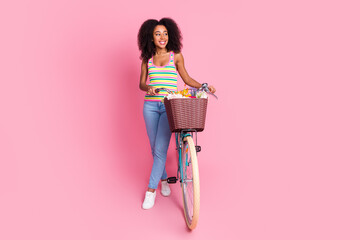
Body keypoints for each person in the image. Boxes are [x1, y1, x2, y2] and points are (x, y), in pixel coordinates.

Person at [138, 18, 216, 209]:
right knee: (154, 148)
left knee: (160, 149)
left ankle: (151, 190)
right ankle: (164, 179)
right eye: (158, 33)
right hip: (150, 107)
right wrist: (149, 88)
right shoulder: (147, 59)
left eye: (165, 33)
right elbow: (141, 83)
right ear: (151, 37)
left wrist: (204, 86)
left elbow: (187, 78)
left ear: (170, 34)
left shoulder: (176, 56)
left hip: (169, 106)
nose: (162, 37)